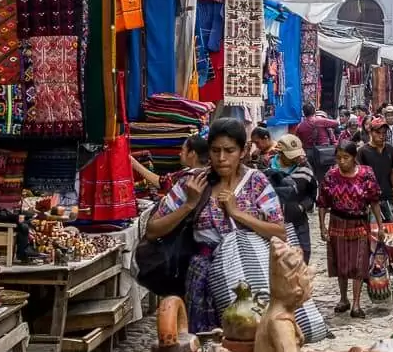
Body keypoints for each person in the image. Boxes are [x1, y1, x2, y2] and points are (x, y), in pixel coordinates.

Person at [146, 118, 287, 333]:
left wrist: (236, 212)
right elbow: (152, 230)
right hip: (203, 278)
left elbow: (280, 232)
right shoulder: (192, 183)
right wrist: (189, 205)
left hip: (249, 275)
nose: (221, 158)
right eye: (215, 150)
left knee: (249, 342)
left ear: (243, 151)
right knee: (208, 348)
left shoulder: (256, 182)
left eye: (229, 150)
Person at [318, 138, 383, 317]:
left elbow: (374, 201)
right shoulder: (331, 175)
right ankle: (343, 298)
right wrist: (322, 226)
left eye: (346, 157)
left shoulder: (366, 174)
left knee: (358, 263)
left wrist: (380, 225)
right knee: (341, 262)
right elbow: (322, 203)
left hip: (359, 223)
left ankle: (356, 303)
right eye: (338, 158)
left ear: (354, 157)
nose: (342, 161)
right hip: (337, 222)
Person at [265, 134, 317, 263]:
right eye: (291, 155)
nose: (295, 158)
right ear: (281, 153)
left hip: (298, 221)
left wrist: (302, 206)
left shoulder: (305, 168)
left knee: (303, 257)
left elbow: (312, 193)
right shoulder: (267, 167)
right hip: (274, 224)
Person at [132, 134, 209, 196]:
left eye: (183, 150)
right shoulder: (202, 173)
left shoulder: (189, 177)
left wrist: (134, 163)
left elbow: (161, 182)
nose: (179, 154)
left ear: (192, 153)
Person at [356, 117, 393, 221]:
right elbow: (359, 178)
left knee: (390, 230)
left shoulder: (390, 149)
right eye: (378, 132)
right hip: (370, 199)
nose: (381, 136)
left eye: (384, 133)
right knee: (374, 231)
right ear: (370, 132)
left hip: (387, 196)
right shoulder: (363, 151)